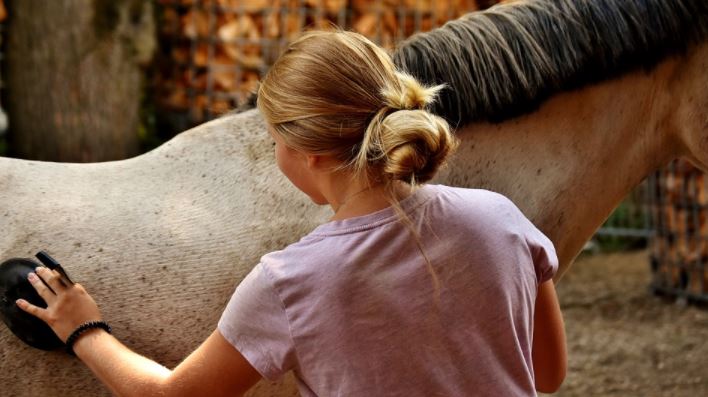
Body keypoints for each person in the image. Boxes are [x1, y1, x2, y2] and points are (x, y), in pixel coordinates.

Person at [17, 29, 566, 396]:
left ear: (312, 152)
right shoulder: (502, 218)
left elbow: (172, 396)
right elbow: (547, 372)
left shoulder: (291, 281)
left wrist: (81, 326)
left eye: (272, 136)